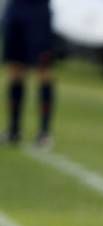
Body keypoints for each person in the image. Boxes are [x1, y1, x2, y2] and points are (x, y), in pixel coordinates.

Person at [1, 0, 55, 147]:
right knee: (15, 70)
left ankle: (44, 132)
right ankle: (14, 130)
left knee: (44, 71)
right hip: (16, 9)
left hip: (38, 12)